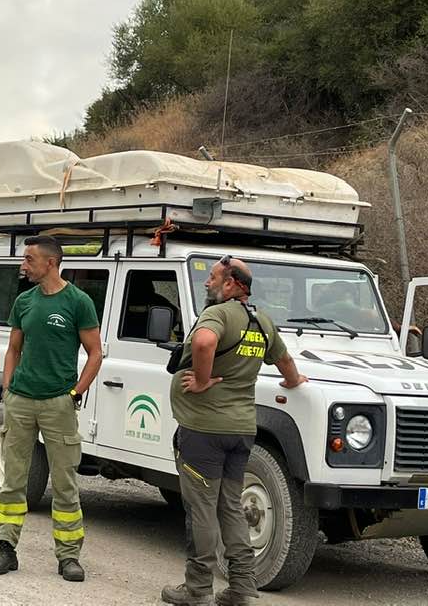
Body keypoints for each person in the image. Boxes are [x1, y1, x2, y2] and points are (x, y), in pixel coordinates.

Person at [161, 256, 308, 606]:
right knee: (230, 507)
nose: (208, 284)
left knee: (201, 508)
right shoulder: (262, 322)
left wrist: (200, 379)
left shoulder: (216, 314)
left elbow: (203, 343)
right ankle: (243, 588)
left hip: (204, 429)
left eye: (213, 278)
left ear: (232, 285)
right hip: (241, 430)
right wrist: (294, 381)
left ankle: (197, 589)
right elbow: (285, 361)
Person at [0, 235, 103, 583]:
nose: (24, 265)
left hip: (58, 403)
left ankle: (68, 557)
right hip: (21, 400)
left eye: (29, 260)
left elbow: (95, 353)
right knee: (13, 478)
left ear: (51, 263)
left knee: (65, 481)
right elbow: (13, 349)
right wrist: (7, 388)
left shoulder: (79, 302)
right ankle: (6, 547)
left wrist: (75, 392)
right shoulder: (24, 302)